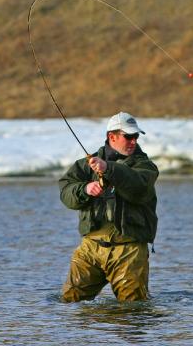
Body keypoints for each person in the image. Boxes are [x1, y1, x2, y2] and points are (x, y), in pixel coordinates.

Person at [59, 112, 159, 302]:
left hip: (129, 250)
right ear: (112, 137)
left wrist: (108, 168)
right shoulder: (85, 166)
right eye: (128, 136)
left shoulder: (145, 166)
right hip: (91, 248)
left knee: (132, 313)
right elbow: (66, 193)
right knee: (70, 302)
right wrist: (84, 189)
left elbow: (138, 186)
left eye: (136, 137)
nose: (133, 141)